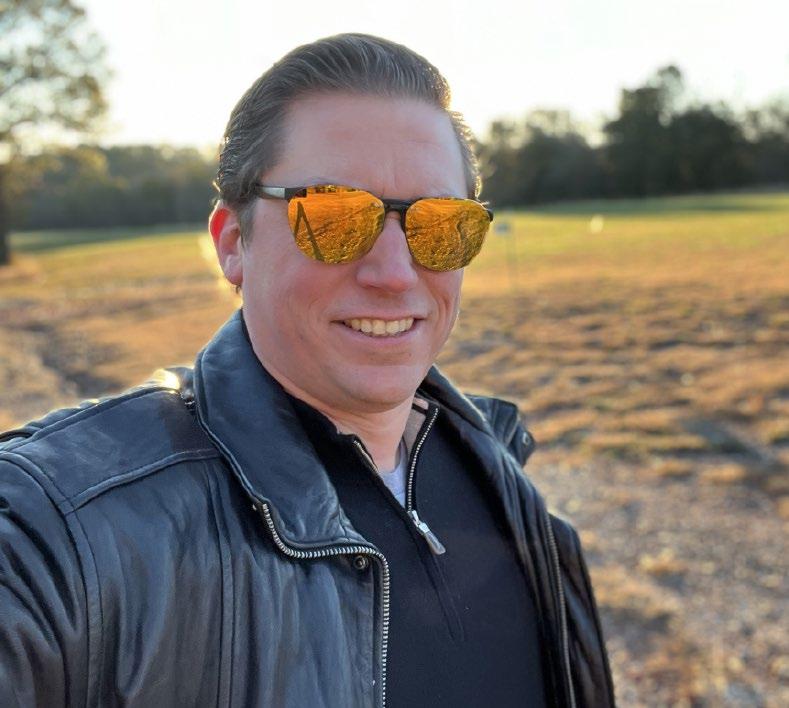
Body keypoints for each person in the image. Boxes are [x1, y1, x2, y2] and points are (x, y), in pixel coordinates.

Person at [0, 34, 614, 707]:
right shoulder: (62, 527)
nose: (394, 274)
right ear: (233, 244)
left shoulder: (502, 476)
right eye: (333, 219)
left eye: (441, 226)